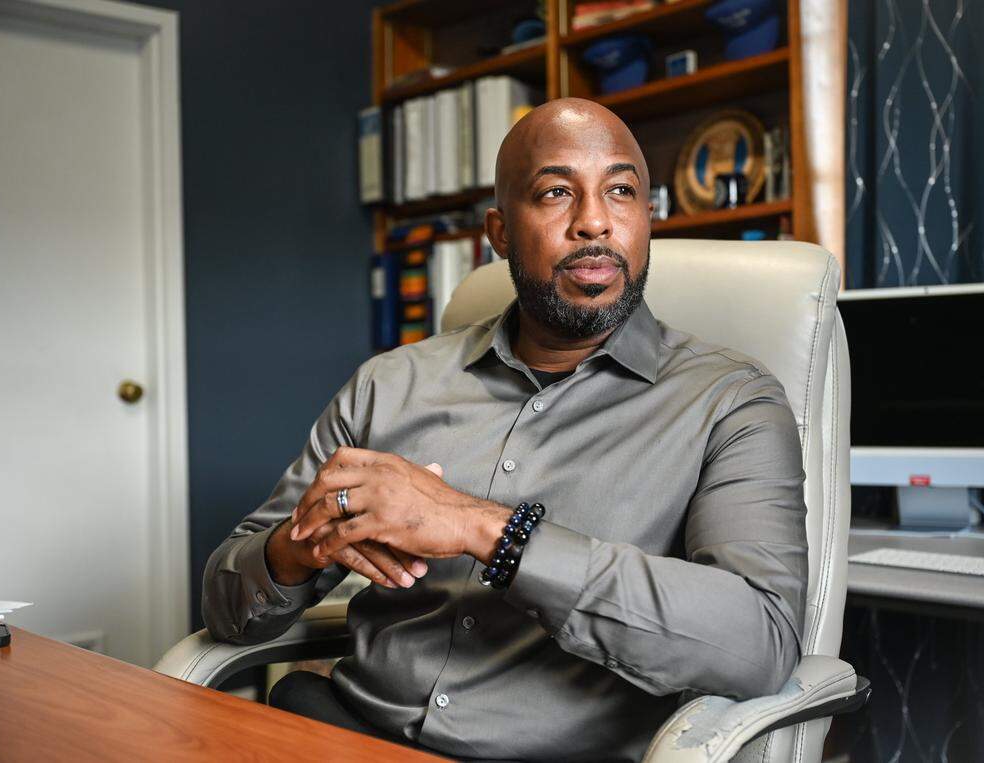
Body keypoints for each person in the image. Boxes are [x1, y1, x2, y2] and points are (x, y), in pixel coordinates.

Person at [202, 97, 808, 762]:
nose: (594, 221)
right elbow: (228, 602)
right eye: (555, 192)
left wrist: (488, 529)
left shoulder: (732, 403)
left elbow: (760, 644)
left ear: (647, 217)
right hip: (346, 735)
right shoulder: (390, 385)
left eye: (621, 191)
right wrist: (297, 547)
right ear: (499, 232)